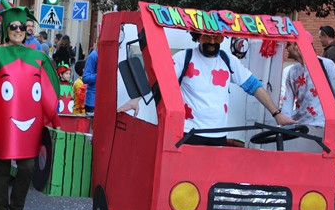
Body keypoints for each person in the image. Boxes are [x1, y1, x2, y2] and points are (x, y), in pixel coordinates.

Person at [0, 0, 60, 210]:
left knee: (27, 169)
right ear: (6, 30)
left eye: (23, 27)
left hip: (29, 123)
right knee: (1, 171)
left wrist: (53, 114)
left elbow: (47, 88)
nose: (19, 31)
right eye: (14, 27)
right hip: (2, 121)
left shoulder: (38, 56)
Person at [118, 32, 295, 145]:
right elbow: (158, 79)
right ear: (198, 37)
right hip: (188, 134)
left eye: (216, 38)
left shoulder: (228, 60)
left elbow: (254, 86)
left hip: (218, 135)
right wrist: (137, 98)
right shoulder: (184, 58)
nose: (212, 41)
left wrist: (276, 114)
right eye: (207, 37)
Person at [281, 40, 335, 151]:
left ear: (298, 46)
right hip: (302, 130)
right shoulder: (292, 71)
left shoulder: (326, 65)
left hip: (325, 129)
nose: (286, 48)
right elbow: (287, 102)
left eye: (288, 44)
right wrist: (284, 126)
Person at [82, 42, 98, 114]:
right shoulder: (94, 56)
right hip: (92, 102)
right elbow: (85, 77)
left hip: (106, 100)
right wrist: (100, 76)